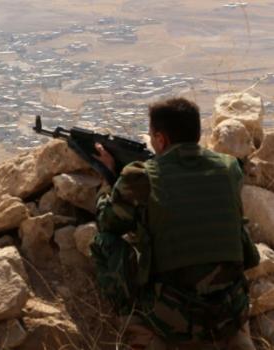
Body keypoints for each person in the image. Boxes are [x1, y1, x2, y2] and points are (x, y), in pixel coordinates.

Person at [90, 97, 260, 349]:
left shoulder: (140, 175)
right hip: (229, 313)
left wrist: (108, 180)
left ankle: (138, 328)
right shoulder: (229, 169)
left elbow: (109, 223)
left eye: (152, 136)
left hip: (174, 321)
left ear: (161, 140)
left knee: (103, 243)